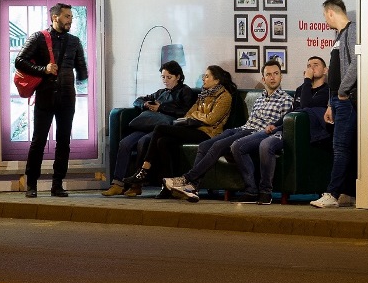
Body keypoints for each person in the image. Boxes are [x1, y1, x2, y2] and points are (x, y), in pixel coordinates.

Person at [165, 59, 292, 203]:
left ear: (281, 77)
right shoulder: (260, 99)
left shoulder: (286, 100)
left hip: (257, 133)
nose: (273, 77)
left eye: (276, 74)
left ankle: (187, 179)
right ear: (263, 79)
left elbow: (282, 127)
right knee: (204, 145)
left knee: (219, 146)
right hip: (243, 128)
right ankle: (193, 187)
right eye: (268, 74)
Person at [230, 56, 330, 205]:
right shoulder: (300, 89)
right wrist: (275, 125)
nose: (311, 68)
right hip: (282, 129)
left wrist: (307, 80)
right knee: (237, 146)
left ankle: (265, 192)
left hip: (299, 135)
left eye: (316, 65)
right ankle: (251, 190)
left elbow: (306, 106)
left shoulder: (327, 91)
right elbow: (292, 111)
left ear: (325, 70)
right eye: (309, 65)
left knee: (266, 145)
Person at [124, 65, 235, 195]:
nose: (203, 79)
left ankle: (144, 170)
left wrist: (197, 116)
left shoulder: (225, 97)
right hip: (194, 128)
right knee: (162, 141)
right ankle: (167, 187)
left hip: (208, 133)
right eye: (203, 76)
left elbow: (211, 119)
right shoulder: (204, 94)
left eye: (206, 76)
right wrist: (198, 116)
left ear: (216, 80)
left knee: (159, 128)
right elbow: (188, 114)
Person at [15, 2, 88, 198]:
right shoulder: (38, 38)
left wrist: (81, 74)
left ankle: (58, 184)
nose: (70, 20)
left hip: (67, 98)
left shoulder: (74, 41)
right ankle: (31, 185)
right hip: (45, 96)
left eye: (71, 17)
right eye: (67, 16)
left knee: (64, 142)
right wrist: (43, 69)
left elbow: (82, 71)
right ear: (55, 17)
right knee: (38, 141)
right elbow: (19, 61)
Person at [102, 61, 195, 197]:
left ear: (178, 77)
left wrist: (161, 108)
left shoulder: (185, 91)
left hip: (164, 128)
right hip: (148, 125)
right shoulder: (161, 93)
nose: (165, 80)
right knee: (125, 143)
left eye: (169, 77)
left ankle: (136, 185)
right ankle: (117, 184)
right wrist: (145, 104)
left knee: (143, 142)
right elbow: (138, 100)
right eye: (163, 77)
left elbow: (186, 112)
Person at [311, 0, 358, 209]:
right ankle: (347, 192)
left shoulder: (352, 30)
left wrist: (342, 91)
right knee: (344, 147)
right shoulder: (338, 35)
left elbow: (356, 62)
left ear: (331, 12)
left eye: (325, 15)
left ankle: (332, 193)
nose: (325, 20)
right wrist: (331, 103)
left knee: (340, 147)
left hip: (346, 100)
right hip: (338, 101)